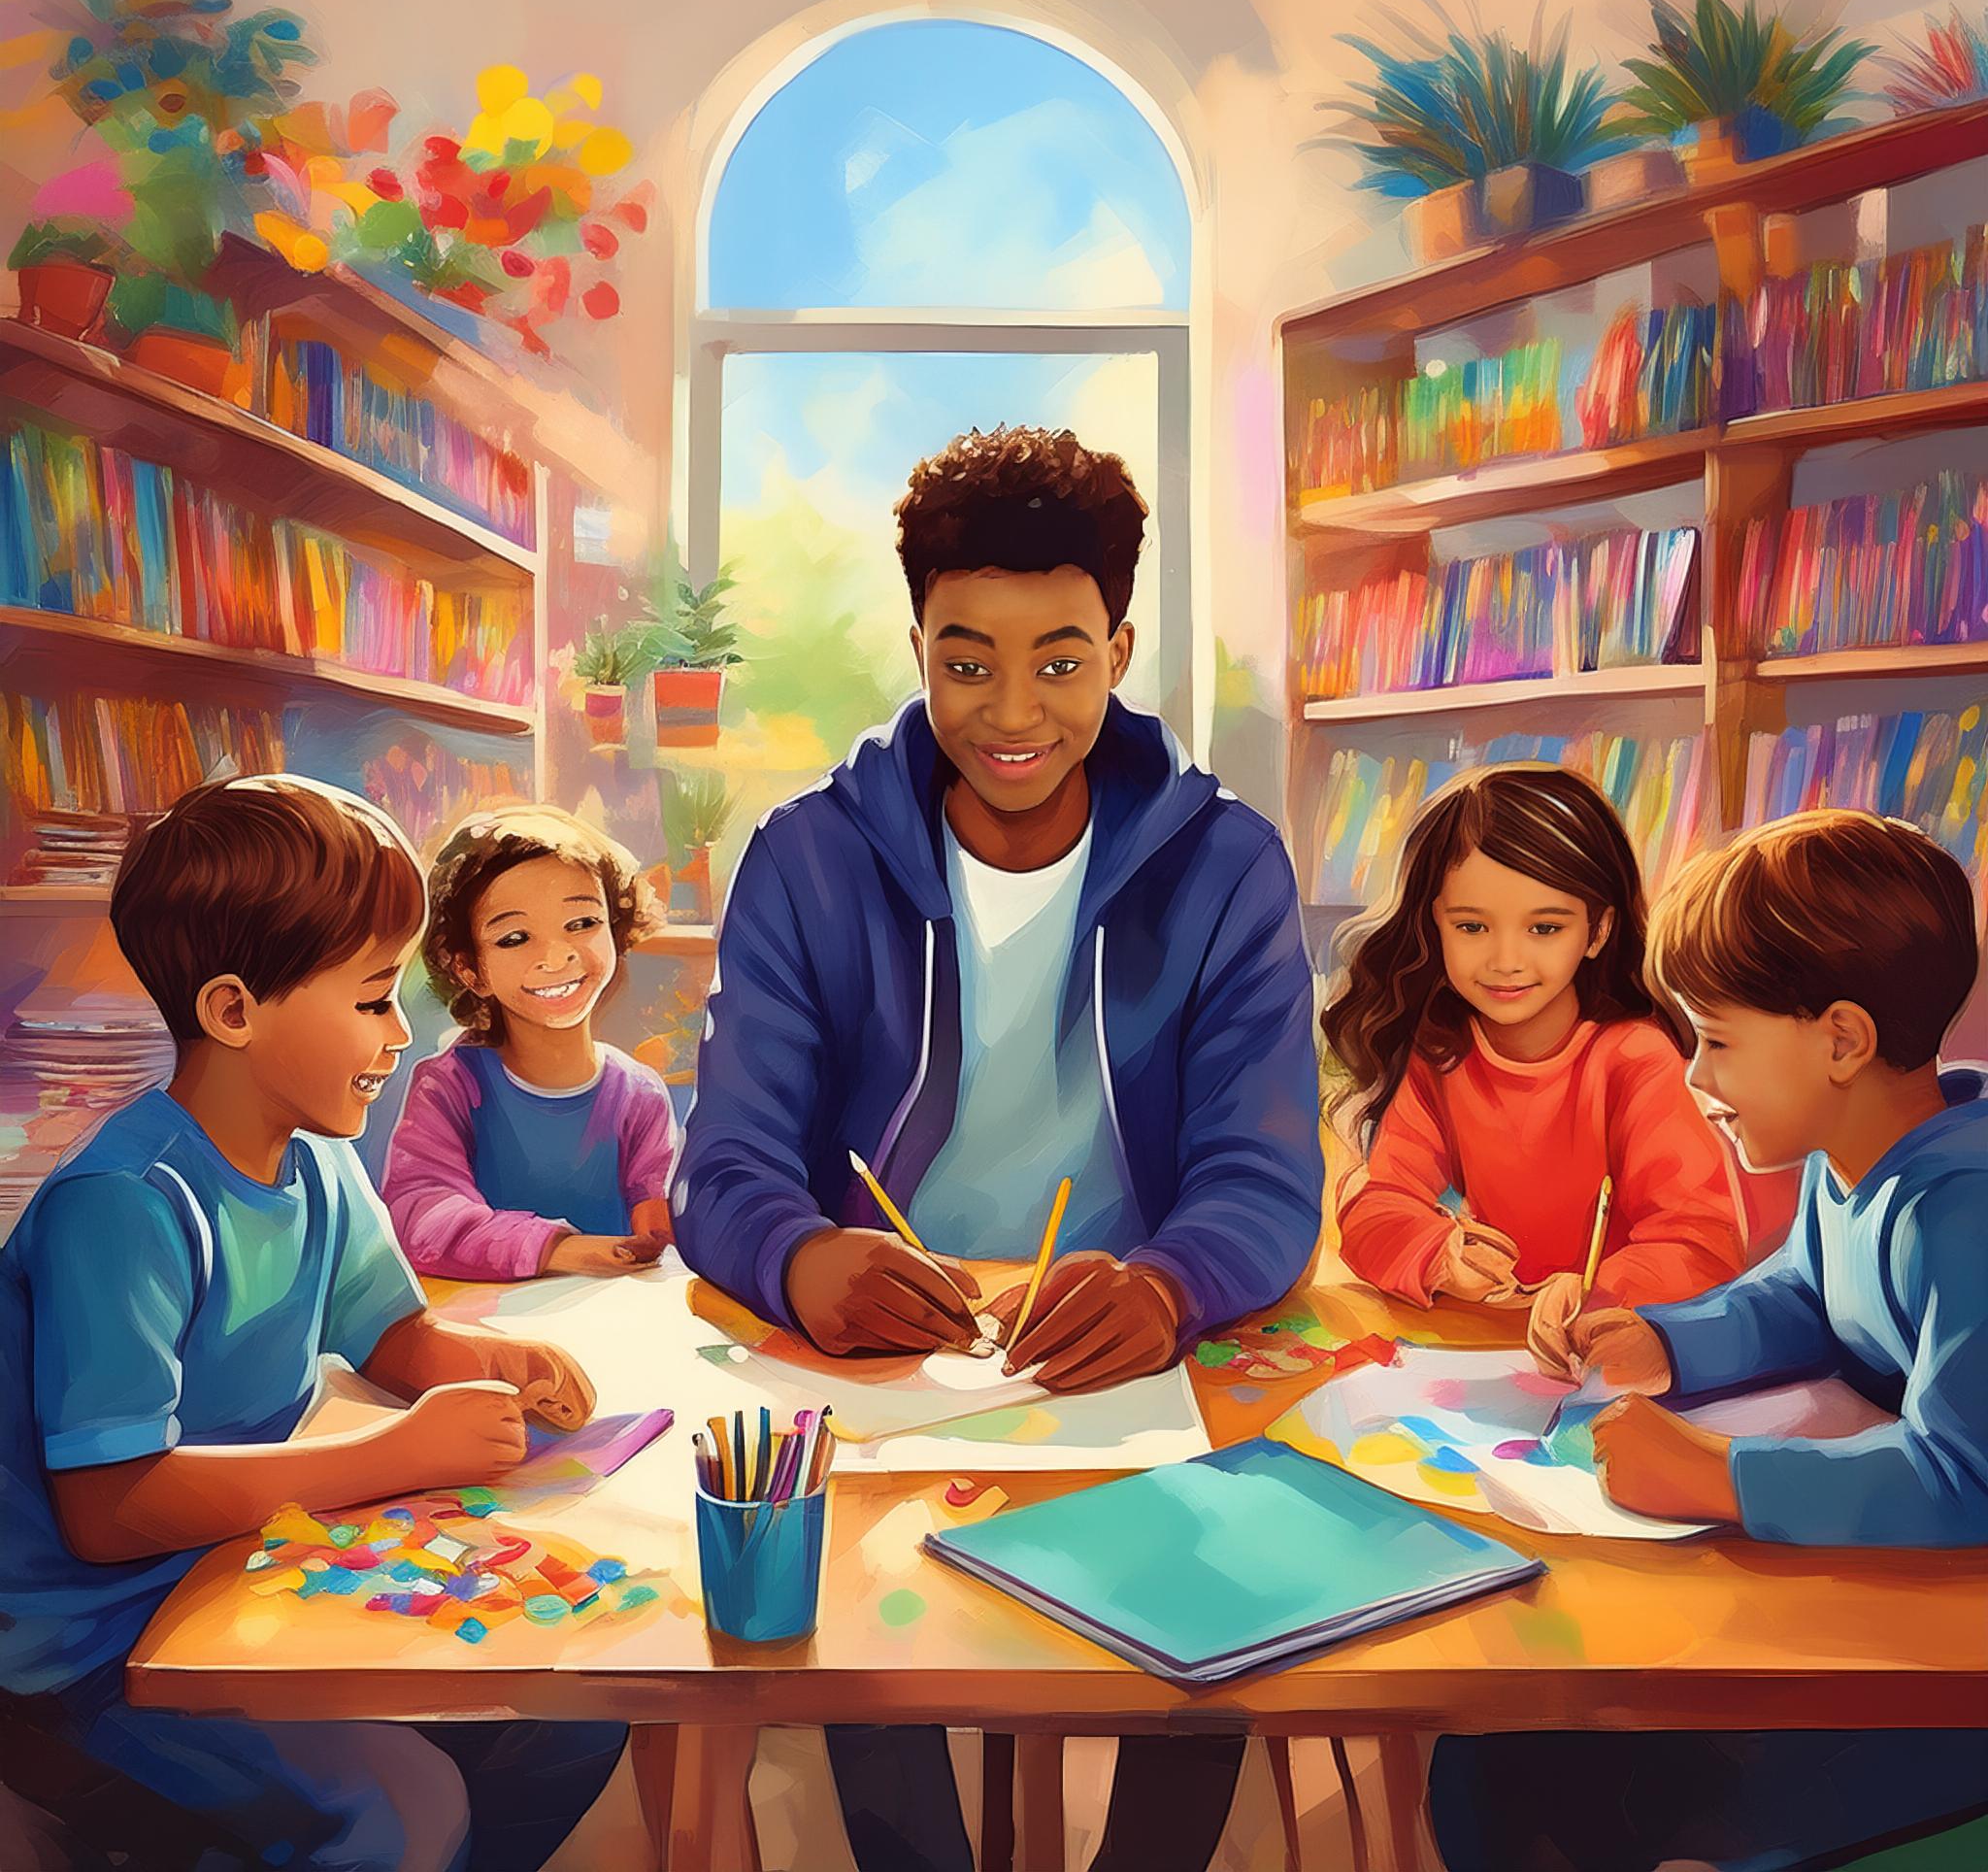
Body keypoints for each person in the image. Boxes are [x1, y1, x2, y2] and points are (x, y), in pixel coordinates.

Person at [676, 424, 1324, 1872]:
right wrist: (797, 1258)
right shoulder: (808, 857)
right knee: (867, 1640)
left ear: (1122, 644)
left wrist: (1167, 1285)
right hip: (887, 1357)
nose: (1013, 708)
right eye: (966, 661)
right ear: (915, 645)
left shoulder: (1225, 865)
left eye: (1062, 659)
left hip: (1139, 1344)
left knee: (1203, 1628)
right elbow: (722, 1166)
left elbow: (1269, 1174)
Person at [0, 775, 626, 1872]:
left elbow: (392, 1337)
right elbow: (109, 1506)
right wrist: (388, 1453)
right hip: (86, 1655)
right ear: (234, 1010)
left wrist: (496, 1363)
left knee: (571, 1720)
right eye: (375, 997)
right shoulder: (125, 1205)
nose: (399, 1033)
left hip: (238, 1575)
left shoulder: (321, 1160)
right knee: (399, 1810)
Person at [1433, 809, 1988, 1871]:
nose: (1691, 1078)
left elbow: (1963, 1477)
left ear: (1839, 1038)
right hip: (1859, 1606)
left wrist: (1720, 1476)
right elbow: (1798, 1299)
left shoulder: (1959, 1213)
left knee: (1652, 1803)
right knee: (1494, 1758)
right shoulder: (1851, 1156)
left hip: (1941, 1681)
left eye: (1716, 1040)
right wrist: (1661, 1341)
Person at [1321, 762, 1747, 1351]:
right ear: (1433, 926)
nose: (1506, 960)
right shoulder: (1441, 1053)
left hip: (1619, 1349)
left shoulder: (1635, 1058)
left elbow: (1703, 1243)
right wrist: (1436, 1254)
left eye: (1544, 929)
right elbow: (1378, 1204)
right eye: (1472, 927)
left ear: (1598, 932)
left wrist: (1599, 1293)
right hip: (1499, 1348)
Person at [384, 804, 678, 1280]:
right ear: (470, 970)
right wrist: (559, 1250)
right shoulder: (449, 1086)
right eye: (516, 938)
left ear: (615, 930)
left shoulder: (639, 1094)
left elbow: (656, 1214)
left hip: (614, 1315)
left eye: (582, 923)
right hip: (487, 1324)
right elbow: (421, 1218)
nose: (557, 955)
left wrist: (664, 1225)